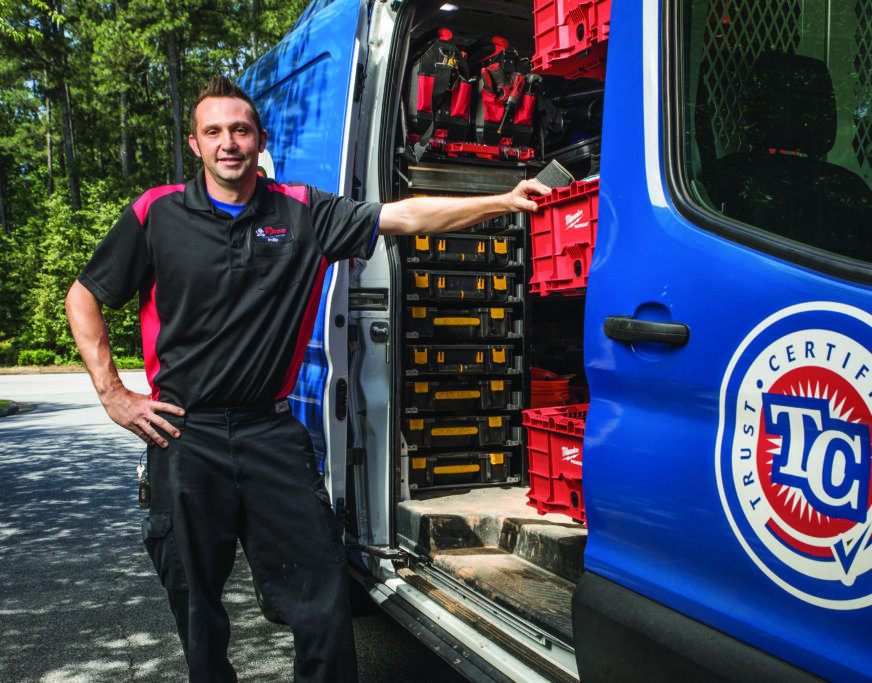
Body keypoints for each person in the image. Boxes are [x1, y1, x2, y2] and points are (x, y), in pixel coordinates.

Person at [65, 75, 549, 682]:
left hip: (271, 432)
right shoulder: (156, 212)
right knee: (197, 608)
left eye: (240, 130)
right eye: (213, 132)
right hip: (185, 434)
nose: (228, 143)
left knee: (323, 601)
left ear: (259, 138)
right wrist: (114, 396)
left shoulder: (302, 211)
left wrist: (502, 201)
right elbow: (83, 297)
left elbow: (402, 216)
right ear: (194, 144)